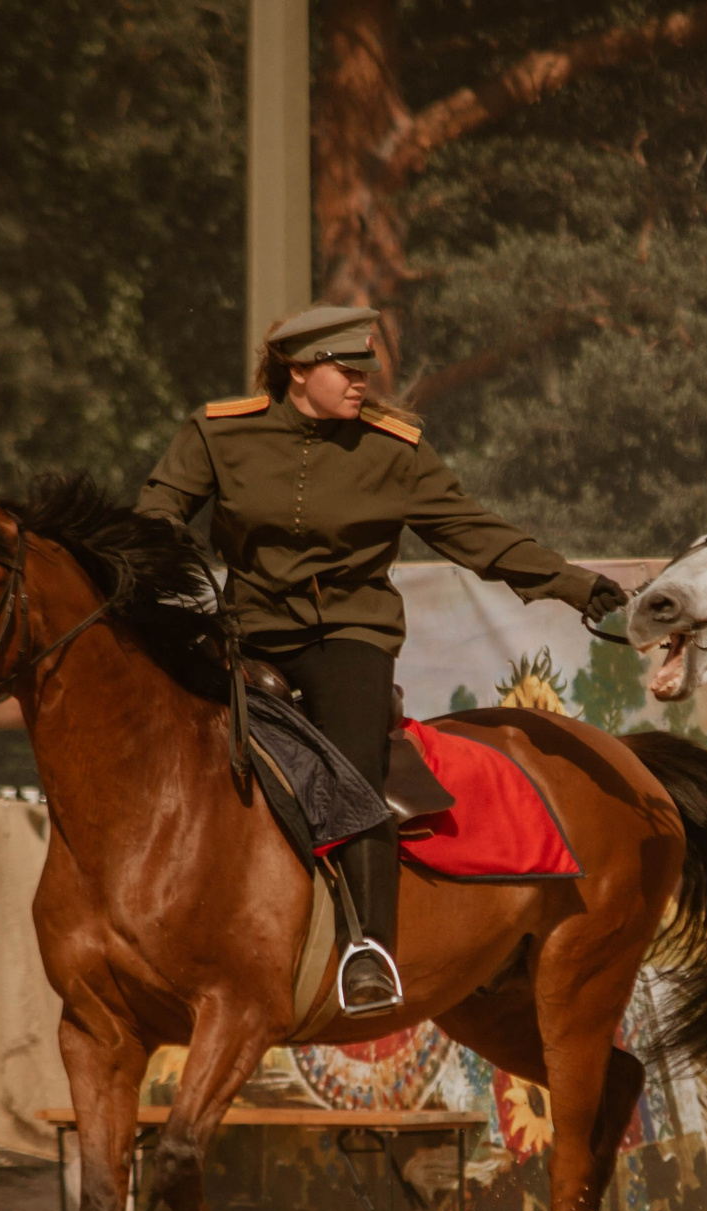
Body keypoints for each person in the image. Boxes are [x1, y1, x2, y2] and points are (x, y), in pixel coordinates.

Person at [137, 303, 627, 1016]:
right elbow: (157, 513)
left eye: (365, 367)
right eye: (346, 368)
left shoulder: (395, 447)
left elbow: (474, 533)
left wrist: (574, 584)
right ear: (298, 370)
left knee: (353, 768)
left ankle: (369, 949)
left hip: (349, 634)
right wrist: (153, 579)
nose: (363, 381)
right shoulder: (220, 432)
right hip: (245, 632)